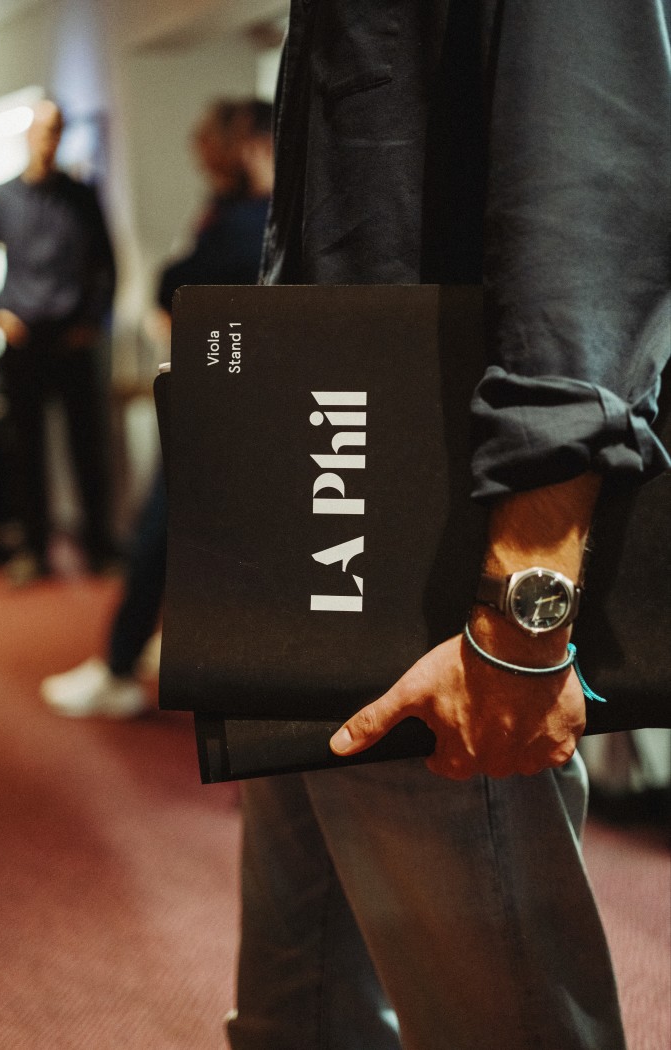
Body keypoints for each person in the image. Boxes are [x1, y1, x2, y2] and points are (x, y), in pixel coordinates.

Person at [226, 4, 670, 1050]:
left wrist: (523, 617)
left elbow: (587, 217)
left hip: (443, 568)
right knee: (297, 1017)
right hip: (324, 530)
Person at [40, 98, 274, 718]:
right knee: (178, 534)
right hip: (212, 390)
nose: (200, 150)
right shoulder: (228, 211)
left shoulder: (259, 219)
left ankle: (120, 665)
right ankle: (142, 654)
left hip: (237, 400)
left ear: (245, 142)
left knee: (161, 533)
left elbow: (184, 282)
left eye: (211, 139)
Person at [0, 99, 116, 584]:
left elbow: (107, 265)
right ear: (28, 137)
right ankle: (33, 550)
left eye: (55, 130)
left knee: (86, 448)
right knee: (25, 453)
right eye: (40, 130)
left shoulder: (81, 195)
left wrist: (94, 320)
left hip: (72, 340)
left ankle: (97, 544)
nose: (47, 139)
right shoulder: (4, 196)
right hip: (24, 342)